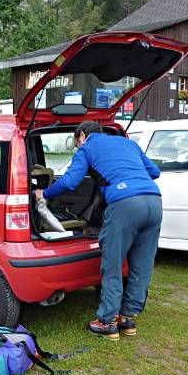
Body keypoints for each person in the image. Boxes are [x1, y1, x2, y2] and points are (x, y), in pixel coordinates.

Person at [34, 120, 162, 340]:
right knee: (142, 264)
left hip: (125, 205)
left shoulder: (87, 148)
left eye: (76, 143)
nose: (77, 148)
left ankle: (106, 321)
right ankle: (128, 318)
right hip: (154, 201)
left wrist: (44, 193)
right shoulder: (127, 144)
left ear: (82, 135)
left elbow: (71, 181)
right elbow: (154, 171)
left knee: (112, 264)